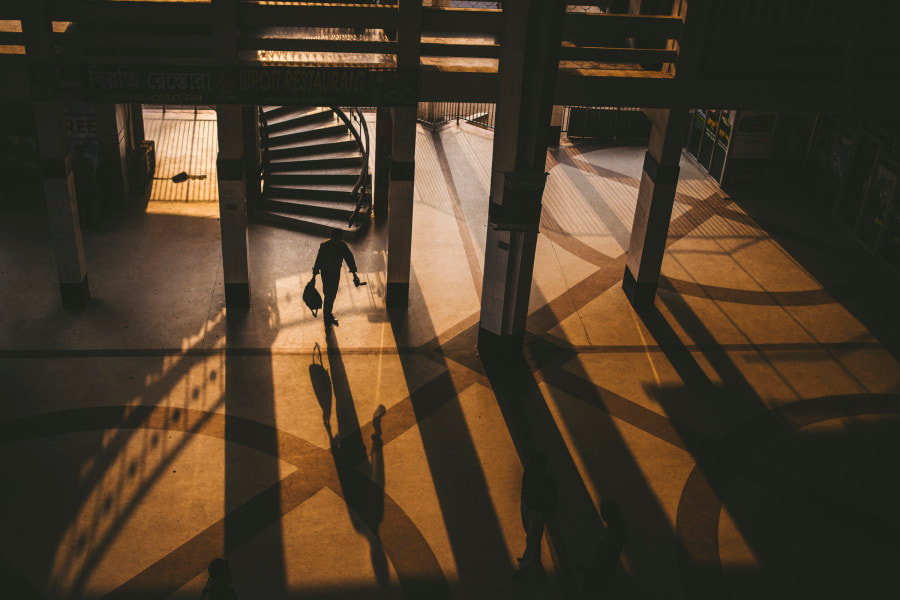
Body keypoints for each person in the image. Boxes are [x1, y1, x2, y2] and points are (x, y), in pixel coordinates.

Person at [514, 452, 557, 578]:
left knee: (532, 539)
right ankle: (533, 560)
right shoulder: (531, 473)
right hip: (528, 507)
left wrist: (543, 514)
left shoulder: (548, 481)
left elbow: (553, 501)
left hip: (536, 512)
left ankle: (524, 568)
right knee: (532, 537)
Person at [580, 499, 629, 599]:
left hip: (601, 569)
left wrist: (590, 568)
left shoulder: (611, 533)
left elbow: (605, 555)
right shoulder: (616, 531)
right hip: (604, 569)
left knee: (594, 591)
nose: (601, 516)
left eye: (603, 513)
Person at [312, 228, 359, 328]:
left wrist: (315, 273)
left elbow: (319, 260)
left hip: (329, 272)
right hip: (330, 273)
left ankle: (327, 314)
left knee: (330, 294)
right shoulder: (341, 246)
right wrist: (354, 272)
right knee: (330, 294)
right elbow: (349, 258)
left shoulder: (327, 245)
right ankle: (327, 316)